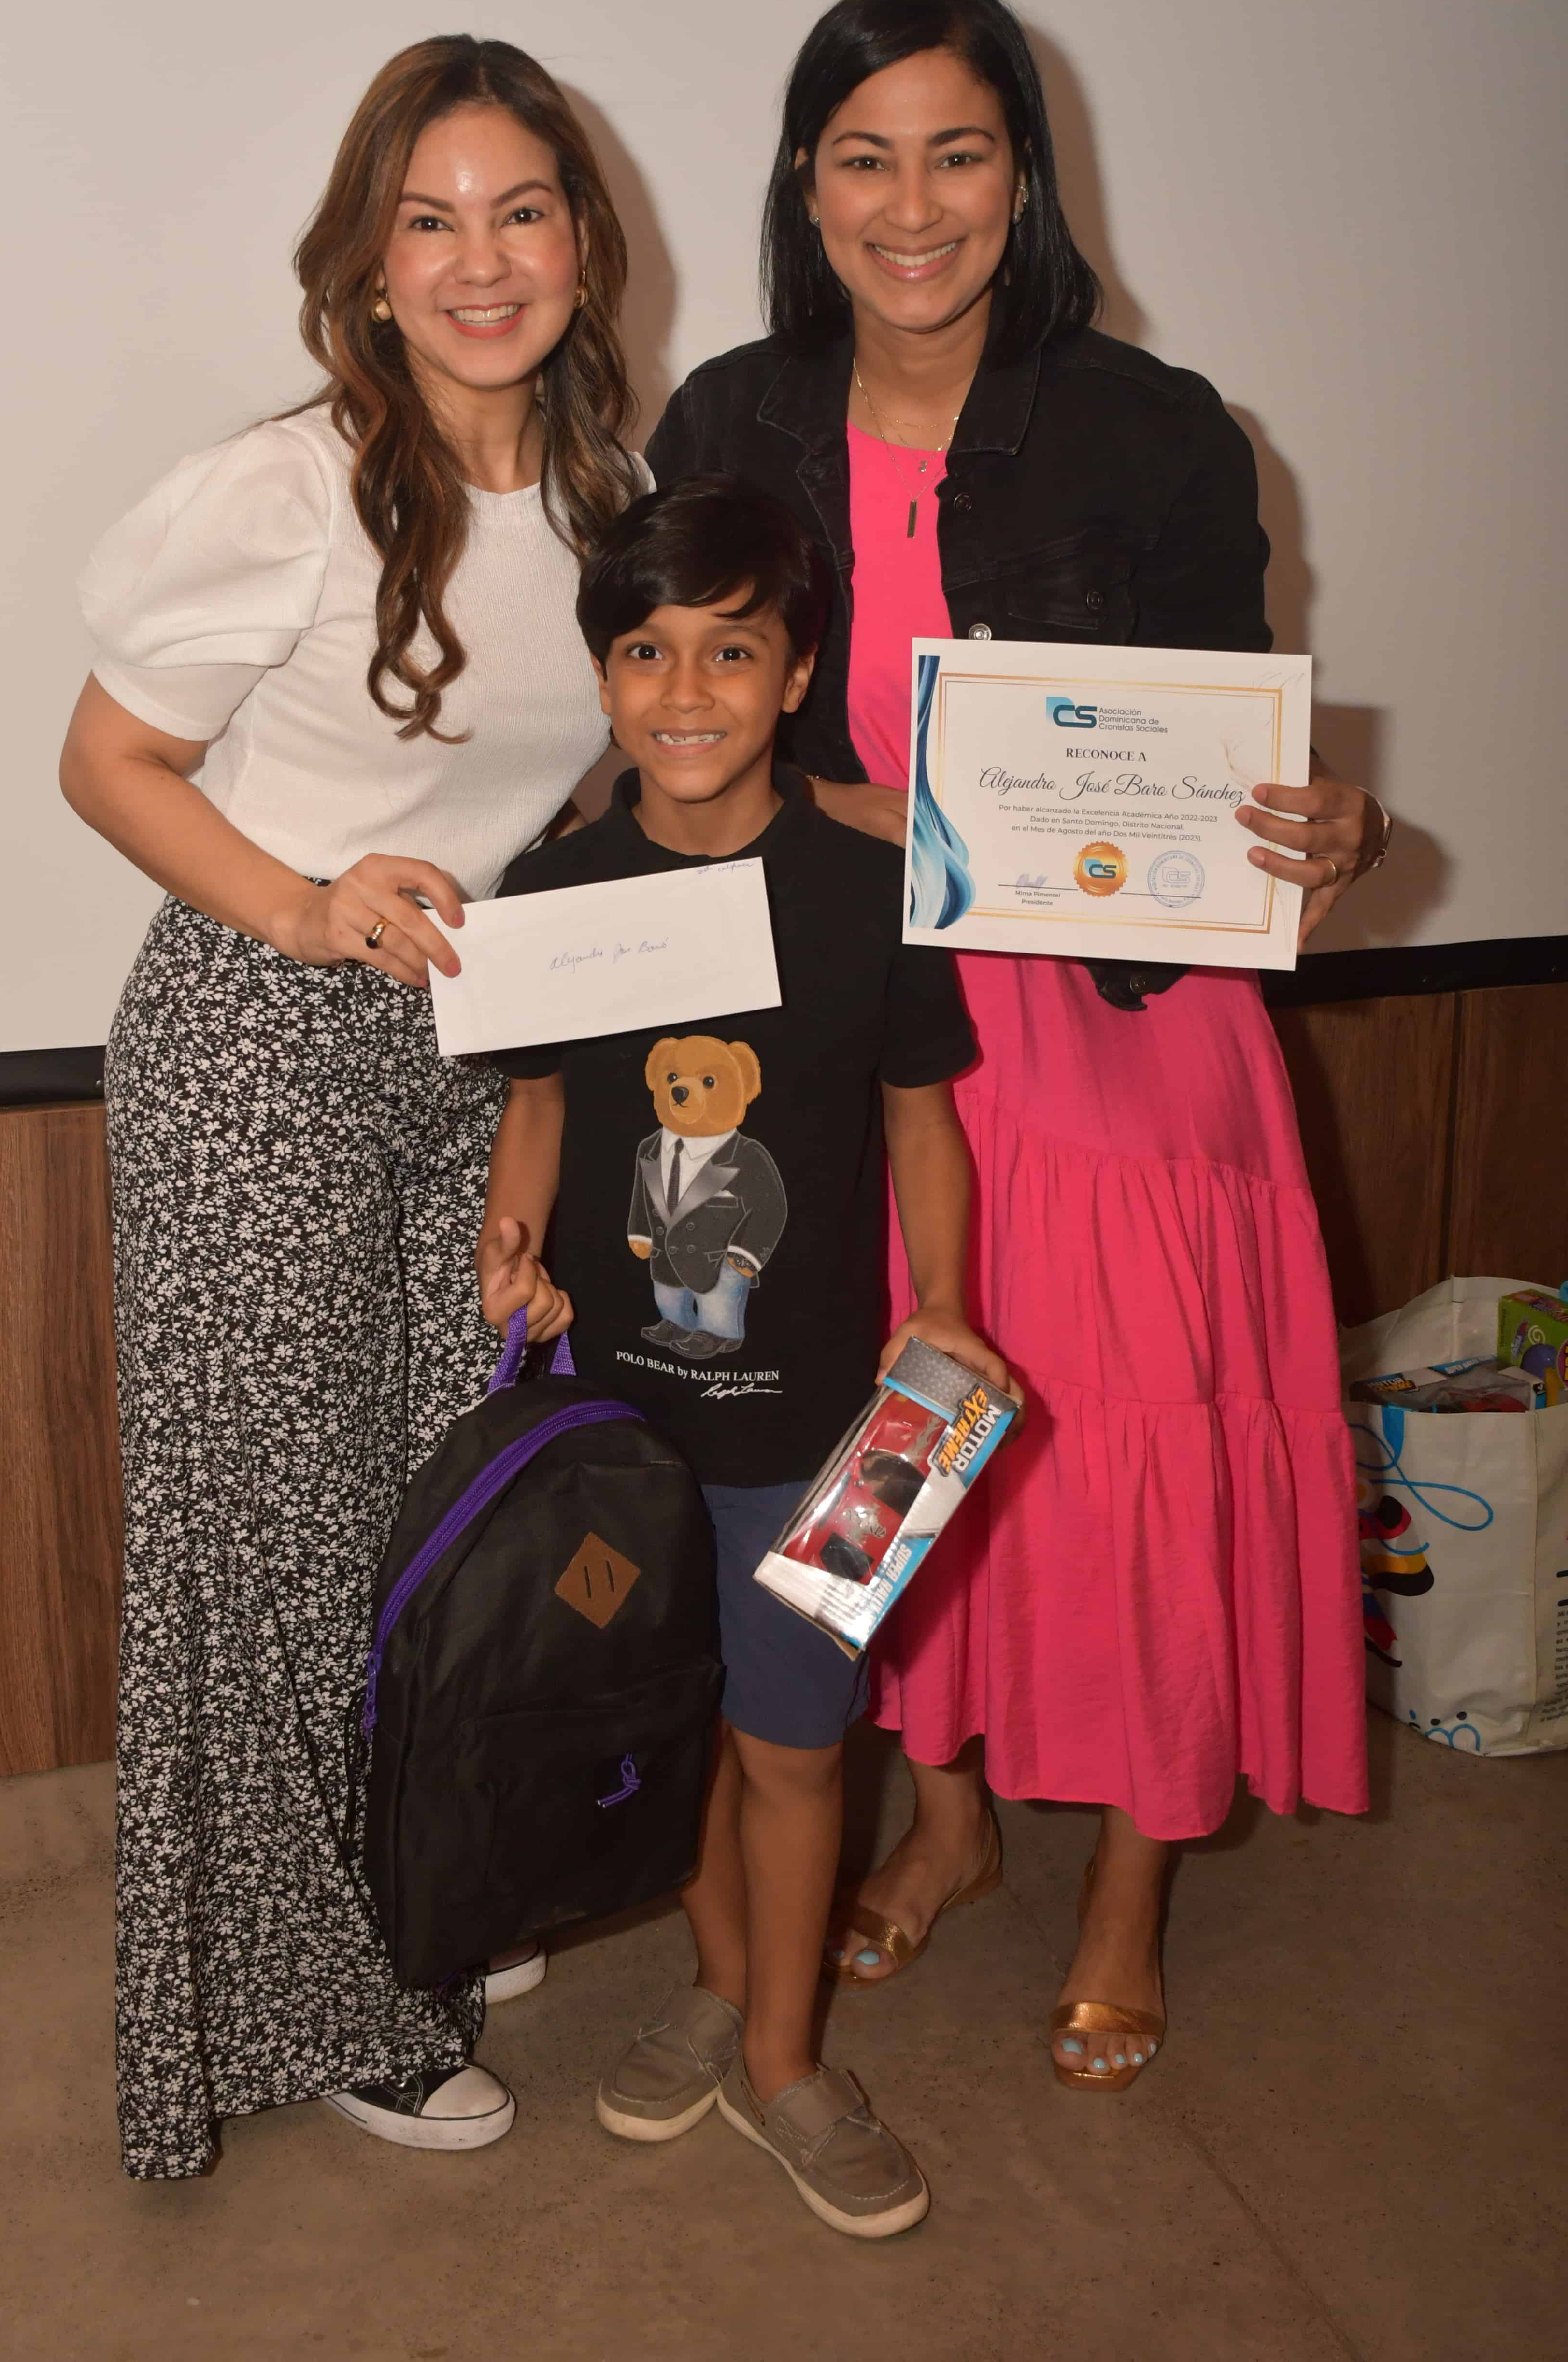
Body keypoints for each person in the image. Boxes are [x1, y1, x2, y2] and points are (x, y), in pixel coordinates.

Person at [647, 0, 1384, 2090]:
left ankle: (1133, 1883)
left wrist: (1340, 825)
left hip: (1125, 1046)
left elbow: (1237, 756)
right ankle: (955, 1822)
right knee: (899, 1465)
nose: (911, 202)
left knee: (1134, 1455)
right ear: (807, 178)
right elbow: (679, 721)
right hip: (867, 1042)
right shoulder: (729, 418)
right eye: (863, 154)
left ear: (1021, 177)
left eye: (957, 152)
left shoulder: (1155, 423)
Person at [59, 34, 644, 2177]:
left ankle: (393, 1899)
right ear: (370, 264)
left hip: (472, 1056)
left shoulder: (609, 494)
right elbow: (104, 763)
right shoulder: (290, 484)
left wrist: (521, 1120)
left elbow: (571, 823)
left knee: (428, 1526)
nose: (479, 259)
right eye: (430, 218)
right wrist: (309, 906)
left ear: (583, 238)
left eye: (518, 209)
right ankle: (329, 2014)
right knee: (279, 1552)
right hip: (258, 1044)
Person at [477, 474, 1009, 2236]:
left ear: (795, 676)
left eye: (731, 650)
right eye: (645, 650)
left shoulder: (873, 884)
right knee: (681, 1726)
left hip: (822, 1425)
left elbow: (924, 1115)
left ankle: (786, 2053)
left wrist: (940, 1298)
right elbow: (543, 1101)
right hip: (617, 1430)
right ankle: (716, 1984)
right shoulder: (553, 885)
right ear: (604, 675)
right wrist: (511, 1234)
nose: (684, 690)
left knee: (794, 1743)